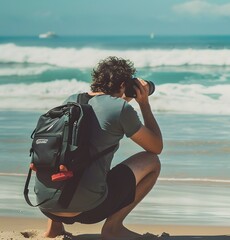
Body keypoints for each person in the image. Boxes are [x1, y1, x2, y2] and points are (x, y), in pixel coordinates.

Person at [35, 56, 163, 239]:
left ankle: (54, 228)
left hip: (46, 205)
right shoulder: (119, 109)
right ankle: (113, 228)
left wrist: (122, 102)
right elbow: (156, 146)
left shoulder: (71, 100)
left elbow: (101, 113)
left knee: (64, 152)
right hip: (90, 209)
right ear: (123, 85)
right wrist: (144, 104)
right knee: (152, 161)